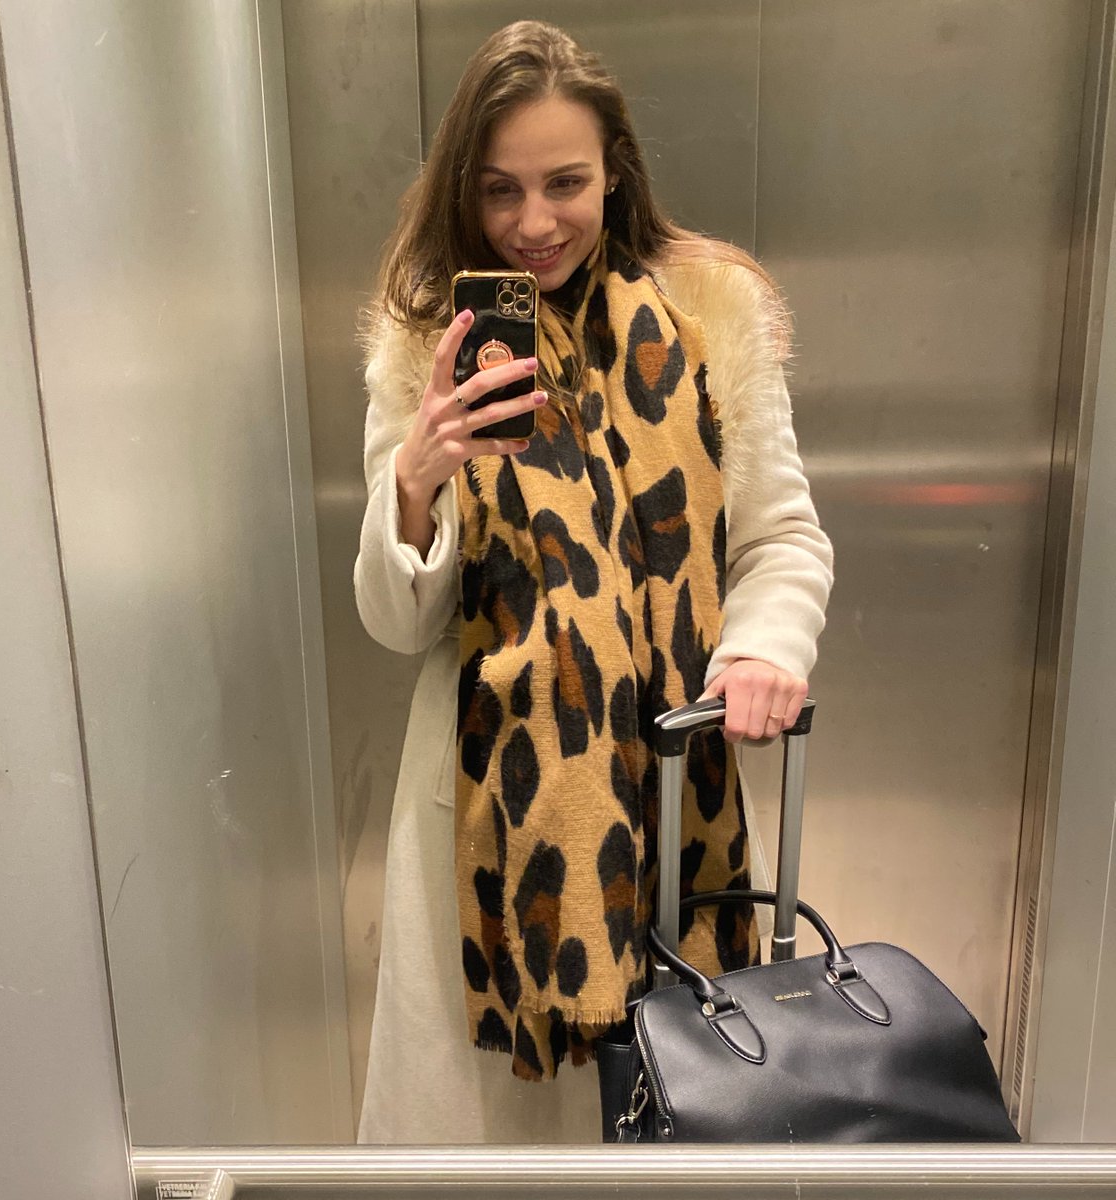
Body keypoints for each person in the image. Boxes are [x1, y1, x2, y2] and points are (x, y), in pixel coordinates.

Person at [352, 20, 833, 1145]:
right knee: (497, 1144)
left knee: (676, 1115)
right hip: (491, 822)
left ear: (613, 169)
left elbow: (780, 538)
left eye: (564, 182)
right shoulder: (429, 341)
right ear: (465, 191)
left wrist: (765, 647)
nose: (534, 224)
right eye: (500, 190)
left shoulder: (710, 318)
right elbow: (400, 623)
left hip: (673, 790)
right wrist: (417, 479)